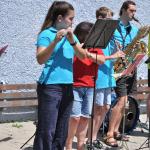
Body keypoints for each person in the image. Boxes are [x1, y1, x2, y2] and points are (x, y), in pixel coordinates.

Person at [33, 1, 88, 150]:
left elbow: (83, 56)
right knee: (47, 129)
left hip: (68, 85)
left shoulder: (72, 36)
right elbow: (40, 59)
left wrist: (72, 42)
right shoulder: (46, 34)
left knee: (62, 128)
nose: (73, 21)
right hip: (50, 86)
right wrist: (55, 41)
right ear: (59, 18)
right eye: (70, 18)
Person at [87, 6, 124, 148]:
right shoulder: (94, 35)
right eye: (108, 20)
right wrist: (112, 56)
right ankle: (91, 138)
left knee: (106, 107)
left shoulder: (109, 38)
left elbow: (110, 59)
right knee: (97, 109)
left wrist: (117, 53)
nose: (111, 24)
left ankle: (94, 136)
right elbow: (93, 57)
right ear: (100, 19)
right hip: (98, 77)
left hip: (108, 76)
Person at [65, 21, 105, 150]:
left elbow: (102, 60)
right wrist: (79, 48)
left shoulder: (95, 47)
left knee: (85, 117)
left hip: (90, 86)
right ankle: (69, 144)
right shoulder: (73, 45)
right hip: (75, 85)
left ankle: (81, 146)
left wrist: (87, 53)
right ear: (84, 34)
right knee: (75, 117)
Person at [105, 0, 139, 147]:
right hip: (117, 68)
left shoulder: (135, 30)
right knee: (121, 101)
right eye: (131, 11)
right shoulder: (112, 26)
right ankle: (109, 134)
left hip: (131, 68)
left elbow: (135, 49)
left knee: (124, 102)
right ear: (124, 10)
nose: (134, 14)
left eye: (135, 11)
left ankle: (116, 130)